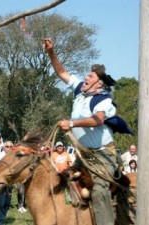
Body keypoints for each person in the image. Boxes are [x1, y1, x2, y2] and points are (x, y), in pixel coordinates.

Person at [44, 38, 121, 225]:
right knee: (61, 181)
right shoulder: (80, 91)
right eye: (87, 76)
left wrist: (72, 124)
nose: (86, 78)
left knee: (99, 190)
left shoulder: (104, 101)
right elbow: (62, 73)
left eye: (91, 77)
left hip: (103, 156)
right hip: (83, 155)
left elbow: (98, 120)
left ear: (100, 84)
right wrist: (51, 52)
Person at [0, 138, 13, 225]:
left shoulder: (13, 157)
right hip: (1, 182)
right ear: (4, 147)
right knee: (1, 203)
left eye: (10, 146)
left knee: (7, 203)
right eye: (7, 146)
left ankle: (1, 219)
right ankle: (0, 222)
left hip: (9, 183)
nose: (9, 148)